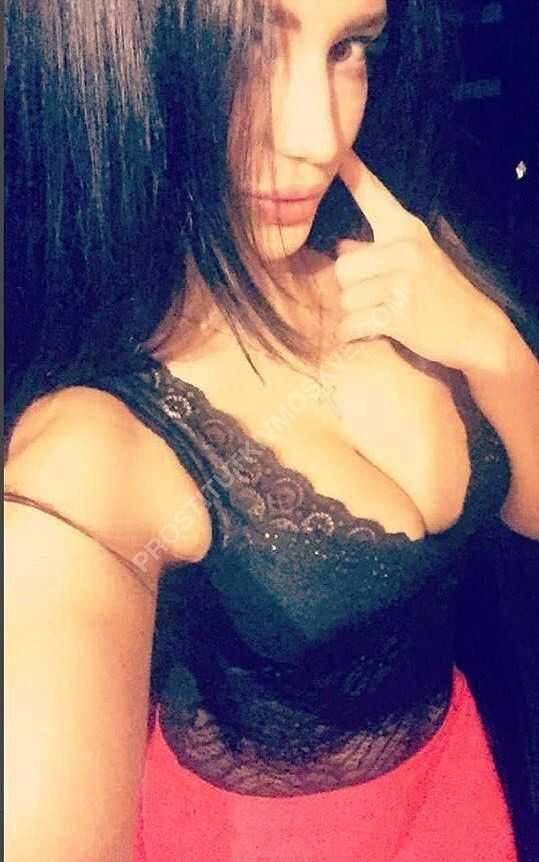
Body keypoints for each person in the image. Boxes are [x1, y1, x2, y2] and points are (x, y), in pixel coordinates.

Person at [4, 0, 539, 860]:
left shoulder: (404, 258)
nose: (318, 138)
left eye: (349, 47)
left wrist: (492, 350)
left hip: (460, 783)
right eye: (246, 49)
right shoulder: (89, 447)